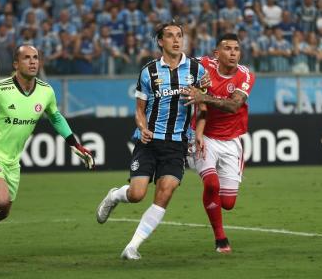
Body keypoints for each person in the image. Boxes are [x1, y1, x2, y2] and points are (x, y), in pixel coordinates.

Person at [96, 23, 205, 260]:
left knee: (165, 192)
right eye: (170, 36)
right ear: (160, 42)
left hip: (177, 144)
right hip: (149, 142)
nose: (176, 40)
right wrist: (142, 127)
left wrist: (198, 133)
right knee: (137, 194)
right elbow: (139, 109)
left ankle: (132, 246)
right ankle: (114, 195)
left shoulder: (197, 69)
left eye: (179, 36)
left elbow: (203, 106)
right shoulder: (149, 72)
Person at [0, 45, 94, 223]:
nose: (33, 62)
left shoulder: (46, 91)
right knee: (0, 200)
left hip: (13, 161)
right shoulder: (0, 89)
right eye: (27, 58)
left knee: (3, 212)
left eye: (35, 57)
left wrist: (74, 144)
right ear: (16, 64)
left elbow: (55, 117)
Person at [184, 33, 256, 253]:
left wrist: (202, 96)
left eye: (236, 49)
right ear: (217, 53)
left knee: (228, 203)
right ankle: (220, 238)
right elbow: (178, 63)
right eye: (227, 48)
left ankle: (219, 219)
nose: (233, 53)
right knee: (211, 184)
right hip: (204, 136)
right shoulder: (203, 65)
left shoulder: (246, 75)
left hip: (232, 141)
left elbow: (234, 106)